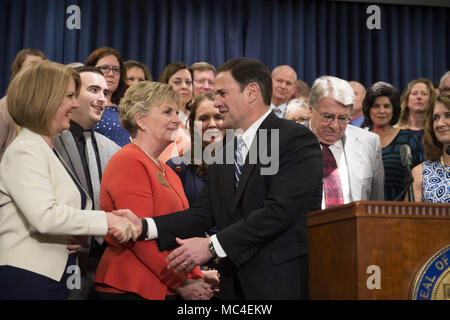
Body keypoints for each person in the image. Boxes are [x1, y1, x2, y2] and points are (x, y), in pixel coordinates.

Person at [122, 58, 323, 299]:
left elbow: (279, 211)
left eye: (222, 93)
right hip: (233, 286)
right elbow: (204, 213)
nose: (216, 102)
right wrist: (144, 226)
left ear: (251, 92)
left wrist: (211, 246)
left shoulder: (295, 139)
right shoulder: (225, 151)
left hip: (280, 284)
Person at [0, 61, 138, 300]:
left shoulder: (45, 149)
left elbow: (55, 215)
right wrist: (107, 220)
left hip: (52, 277)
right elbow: (44, 217)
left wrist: (77, 233)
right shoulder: (26, 150)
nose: (75, 104)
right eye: (69, 96)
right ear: (45, 99)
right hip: (28, 278)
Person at [94, 81, 213, 300]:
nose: (177, 120)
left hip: (163, 285)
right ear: (140, 120)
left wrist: (196, 276)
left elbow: (180, 235)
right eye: (167, 112)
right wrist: (182, 283)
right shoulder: (128, 160)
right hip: (129, 288)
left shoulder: (166, 169)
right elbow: (137, 236)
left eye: (176, 112)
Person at [53, 66, 121, 299]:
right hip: (56, 260)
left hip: (102, 268)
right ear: (71, 95)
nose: (102, 99)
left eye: (104, 92)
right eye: (93, 90)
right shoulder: (46, 141)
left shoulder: (113, 149)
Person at [303, 75, 384, 209]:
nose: (335, 126)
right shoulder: (284, 141)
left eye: (343, 118)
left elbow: (376, 206)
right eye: (327, 116)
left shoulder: (369, 142)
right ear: (311, 108)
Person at [362, 81, 423, 201]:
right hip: (367, 212)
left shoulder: (407, 140)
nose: (381, 111)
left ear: (393, 109)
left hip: (402, 212)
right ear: (368, 110)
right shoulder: (361, 140)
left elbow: (420, 179)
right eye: (376, 106)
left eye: (386, 106)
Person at [167, 92, 224, 205]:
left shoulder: (241, 164)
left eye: (218, 117)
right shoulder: (176, 168)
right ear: (193, 125)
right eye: (204, 118)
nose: (212, 124)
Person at [1, 48, 47, 161]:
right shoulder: (4, 107)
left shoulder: (47, 108)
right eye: (31, 67)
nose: (37, 73)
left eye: (41, 69)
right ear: (17, 73)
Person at [85, 47, 131, 147]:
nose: (110, 74)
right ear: (91, 69)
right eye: (104, 68)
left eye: (116, 70)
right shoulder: (86, 105)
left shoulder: (126, 107)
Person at [411, 93, 450, 203]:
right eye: (436, 118)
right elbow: (411, 219)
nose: (440, 124)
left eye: (448, 115)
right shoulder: (420, 173)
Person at [158, 61, 193, 162]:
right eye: (177, 82)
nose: (184, 86)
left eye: (188, 82)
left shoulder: (195, 116)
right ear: (165, 85)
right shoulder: (161, 117)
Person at [396, 78, 436, 155]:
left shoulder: (436, 131)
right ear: (406, 100)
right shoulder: (395, 132)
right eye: (414, 93)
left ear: (431, 100)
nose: (419, 97)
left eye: (424, 94)